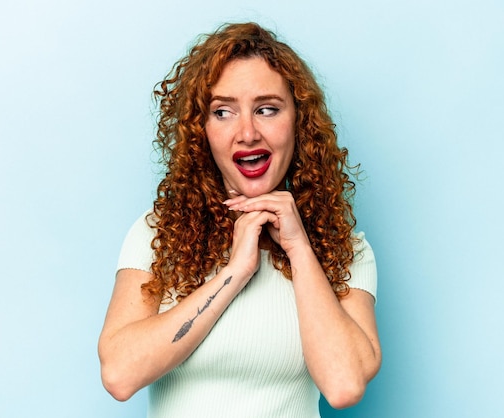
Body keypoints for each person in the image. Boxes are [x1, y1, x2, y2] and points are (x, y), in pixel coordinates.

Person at [98, 22, 381, 417]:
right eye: (223, 112)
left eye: (267, 109)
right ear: (202, 131)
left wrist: (299, 249)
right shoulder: (158, 233)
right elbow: (120, 374)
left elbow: (344, 385)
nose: (247, 133)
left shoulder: (345, 248)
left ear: (298, 122)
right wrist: (235, 273)